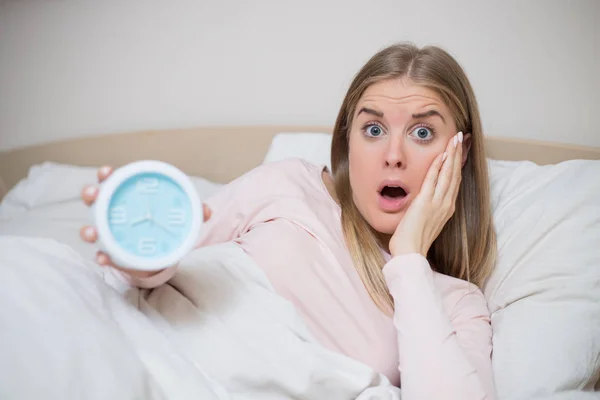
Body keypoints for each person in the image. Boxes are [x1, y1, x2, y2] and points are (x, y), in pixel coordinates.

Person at [80, 42, 498, 399]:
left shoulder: (455, 303)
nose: (393, 154)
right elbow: (161, 264)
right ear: (346, 139)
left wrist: (409, 260)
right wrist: (137, 250)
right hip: (140, 354)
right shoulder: (290, 183)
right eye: (372, 129)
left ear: (458, 154)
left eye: (422, 133)